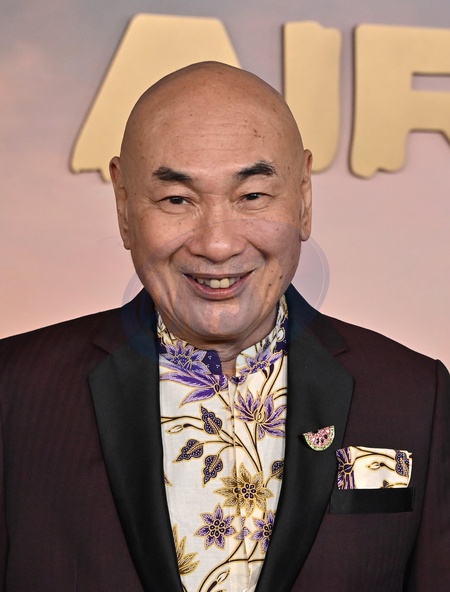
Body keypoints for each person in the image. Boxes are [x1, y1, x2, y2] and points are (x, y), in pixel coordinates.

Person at [0, 61, 448, 592]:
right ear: (123, 206)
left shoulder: (416, 398)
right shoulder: (14, 391)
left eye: (252, 196)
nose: (217, 244)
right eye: (176, 200)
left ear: (304, 196)